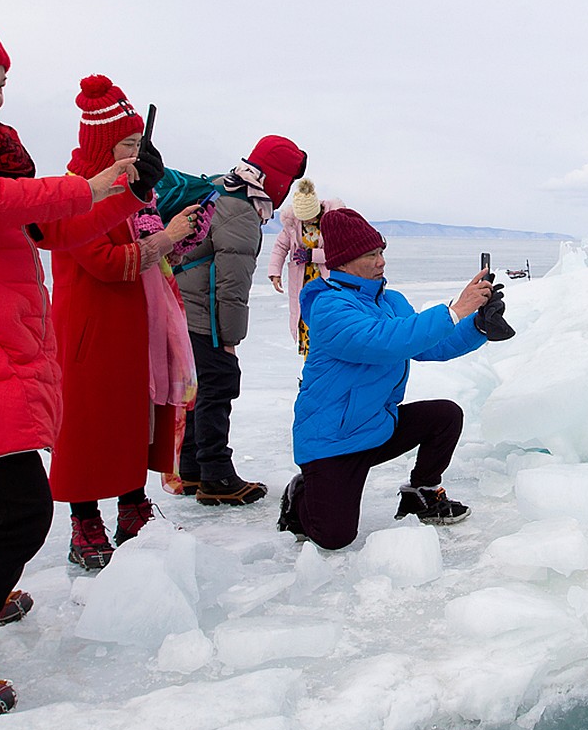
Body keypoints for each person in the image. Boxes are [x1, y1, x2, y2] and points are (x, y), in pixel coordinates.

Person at [0, 0, 161, 722]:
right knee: (17, 508)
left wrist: (127, 193)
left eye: (3, 82)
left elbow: (50, 230)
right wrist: (95, 182)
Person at [278, 208, 515, 550]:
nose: (381, 262)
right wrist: (454, 310)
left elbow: (431, 344)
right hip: (333, 440)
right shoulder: (329, 307)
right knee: (334, 537)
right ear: (343, 263)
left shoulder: (390, 301)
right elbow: (385, 340)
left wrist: (477, 325)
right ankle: (302, 492)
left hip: (376, 427)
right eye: (370, 255)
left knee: (444, 416)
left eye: (381, 252)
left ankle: (422, 491)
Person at [49, 75, 209, 571]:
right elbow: (105, 261)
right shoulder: (78, 194)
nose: (138, 152)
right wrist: (168, 238)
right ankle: (85, 521)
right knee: (90, 424)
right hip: (91, 329)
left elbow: (148, 256)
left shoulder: (136, 192)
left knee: (134, 418)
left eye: (141, 142)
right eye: (129, 143)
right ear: (104, 146)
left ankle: (133, 509)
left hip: (136, 323)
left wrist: (183, 236)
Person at [165, 135, 307, 504]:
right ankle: (216, 475)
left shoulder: (219, 187)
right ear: (277, 177)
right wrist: (229, 338)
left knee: (201, 386)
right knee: (220, 382)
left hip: (180, 303)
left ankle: (192, 469)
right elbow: (231, 283)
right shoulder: (242, 209)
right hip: (202, 312)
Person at [267, 178, 344, 354]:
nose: (306, 222)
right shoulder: (293, 224)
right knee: (305, 322)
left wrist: (312, 255)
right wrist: (275, 272)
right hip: (303, 283)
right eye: (303, 219)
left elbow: (339, 252)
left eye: (309, 218)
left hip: (327, 281)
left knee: (327, 322)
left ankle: (326, 368)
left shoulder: (332, 220)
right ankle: (309, 371)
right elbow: (280, 247)